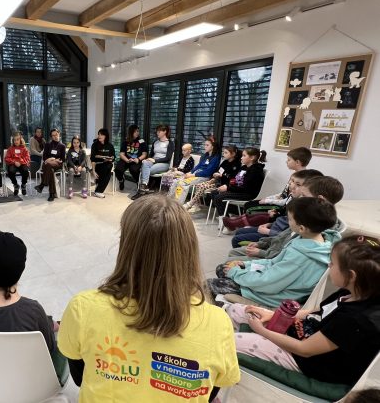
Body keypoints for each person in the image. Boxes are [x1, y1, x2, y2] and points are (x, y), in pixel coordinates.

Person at [58, 196, 240, 401]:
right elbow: (210, 391)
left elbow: (80, 377)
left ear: (127, 245)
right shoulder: (218, 323)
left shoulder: (83, 308)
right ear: (189, 248)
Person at [228, 235, 380, 387]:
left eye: (333, 263)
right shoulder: (352, 292)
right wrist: (274, 315)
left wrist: (262, 331)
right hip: (304, 333)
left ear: (351, 276)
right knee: (236, 310)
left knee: (229, 342)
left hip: (308, 361)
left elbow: (304, 350)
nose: (328, 266)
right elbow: (316, 312)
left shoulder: (356, 320)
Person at [0, 226, 65, 380]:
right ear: (21, 268)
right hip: (29, 383)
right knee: (55, 329)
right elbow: (49, 349)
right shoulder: (34, 310)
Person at [207, 197, 340, 308]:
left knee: (208, 285)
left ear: (301, 228)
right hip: (272, 283)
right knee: (222, 268)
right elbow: (274, 262)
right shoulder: (310, 240)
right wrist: (245, 265)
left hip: (272, 297)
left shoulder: (300, 257)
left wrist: (235, 272)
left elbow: (267, 283)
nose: (288, 222)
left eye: (290, 219)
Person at [226, 175, 344, 262]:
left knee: (229, 261)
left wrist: (261, 252)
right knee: (233, 252)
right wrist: (261, 243)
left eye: (304, 195)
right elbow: (282, 237)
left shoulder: (311, 224)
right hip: (271, 250)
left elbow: (284, 255)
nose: (300, 198)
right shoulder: (308, 216)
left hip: (271, 258)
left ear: (320, 199)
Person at [228, 169, 323, 244]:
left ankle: (234, 223)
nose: (292, 185)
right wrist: (270, 224)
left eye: (297, 184)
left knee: (238, 237)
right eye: (292, 181)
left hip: (275, 235)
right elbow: (284, 213)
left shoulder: (303, 211)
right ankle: (234, 223)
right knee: (246, 218)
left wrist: (268, 231)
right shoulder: (294, 199)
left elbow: (288, 235)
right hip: (275, 227)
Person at [243, 147, 311, 215]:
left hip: (283, 207)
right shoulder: (295, 175)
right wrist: (269, 198)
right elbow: (284, 194)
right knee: (249, 204)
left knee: (249, 208)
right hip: (279, 201)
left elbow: (288, 200)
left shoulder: (302, 180)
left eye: (289, 160)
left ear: (297, 162)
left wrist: (268, 200)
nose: (286, 161)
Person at [211, 147, 266, 220]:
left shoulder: (256, 170)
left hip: (247, 193)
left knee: (219, 197)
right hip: (238, 190)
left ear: (252, 158)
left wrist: (228, 188)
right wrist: (227, 185)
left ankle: (225, 221)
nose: (241, 158)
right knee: (214, 192)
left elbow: (245, 187)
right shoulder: (244, 168)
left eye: (244, 156)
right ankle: (225, 217)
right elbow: (235, 180)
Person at [183, 145, 241, 213]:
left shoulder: (237, 165)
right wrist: (214, 177)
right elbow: (219, 171)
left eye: (226, 153)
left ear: (233, 154)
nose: (223, 154)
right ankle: (196, 205)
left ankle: (190, 204)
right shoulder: (225, 162)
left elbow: (233, 178)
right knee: (198, 185)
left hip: (225, 185)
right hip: (217, 182)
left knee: (202, 187)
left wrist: (221, 175)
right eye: (223, 152)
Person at [175, 138, 221, 205]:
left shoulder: (215, 158)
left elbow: (208, 172)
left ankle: (178, 205)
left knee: (183, 183)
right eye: (205, 145)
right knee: (177, 181)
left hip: (204, 177)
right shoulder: (205, 155)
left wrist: (192, 175)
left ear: (213, 146)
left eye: (207, 145)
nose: (205, 147)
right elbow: (198, 166)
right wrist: (190, 172)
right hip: (195, 174)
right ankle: (171, 202)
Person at [132, 125, 174, 199]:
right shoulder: (155, 142)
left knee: (145, 170)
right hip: (153, 161)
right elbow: (151, 155)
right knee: (145, 163)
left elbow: (168, 158)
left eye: (159, 131)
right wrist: (147, 159)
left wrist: (155, 160)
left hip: (164, 163)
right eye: (157, 131)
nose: (157, 133)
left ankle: (142, 191)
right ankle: (144, 187)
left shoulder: (170, 143)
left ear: (165, 132)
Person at [35, 128, 66, 202]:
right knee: (50, 169)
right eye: (53, 135)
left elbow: (63, 159)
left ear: (59, 134)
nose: (55, 136)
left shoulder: (62, 146)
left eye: (56, 134)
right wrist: (49, 160)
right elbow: (44, 157)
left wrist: (54, 160)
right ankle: (51, 193)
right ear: (51, 137)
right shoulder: (47, 144)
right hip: (47, 163)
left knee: (49, 166)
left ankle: (42, 185)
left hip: (57, 164)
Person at [114, 125, 147, 191]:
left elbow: (144, 154)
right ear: (131, 132)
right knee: (118, 169)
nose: (137, 133)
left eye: (138, 131)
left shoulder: (141, 141)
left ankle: (138, 182)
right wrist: (127, 160)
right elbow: (121, 154)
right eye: (135, 131)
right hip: (126, 160)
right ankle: (121, 180)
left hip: (136, 160)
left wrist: (138, 159)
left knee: (134, 170)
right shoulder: (125, 141)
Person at [90, 128, 115, 198]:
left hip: (107, 164)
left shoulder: (110, 146)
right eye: (99, 134)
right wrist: (93, 171)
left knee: (108, 167)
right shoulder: (95, 145)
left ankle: (98, 189)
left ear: (105, 136)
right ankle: (98, 190)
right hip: (97, 165)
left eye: (101, 134)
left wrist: (111, 158)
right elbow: (93, 159)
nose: (99, 136)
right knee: (108, 170)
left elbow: (114, 157)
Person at [5, 132, 31, 196]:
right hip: (13, 163)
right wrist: (14, 162)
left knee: (25, 171)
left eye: (17, 139)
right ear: (13, 141)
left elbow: (27, 158)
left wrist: (21, 162)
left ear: (20, 140)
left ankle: (23, 185)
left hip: (22, 163)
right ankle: (16, 185)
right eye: (14, 140)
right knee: (10, 171)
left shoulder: (24, 148)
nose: (16, 141)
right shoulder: (10, 149)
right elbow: (7, 158)